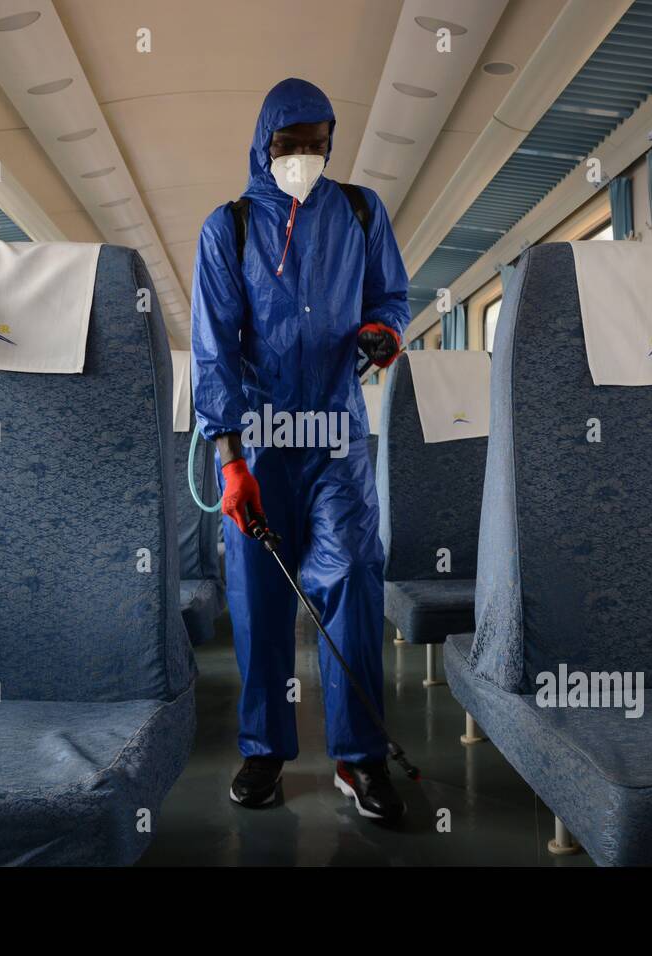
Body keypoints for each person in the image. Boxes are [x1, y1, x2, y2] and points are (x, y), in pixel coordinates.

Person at [191, 77, 409, 822]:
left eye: (318, 145)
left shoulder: (360, 212)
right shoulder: (229, 229)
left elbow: (391, 298)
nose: (304, 159)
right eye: (290, 146)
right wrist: (229, 461)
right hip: (259, 439)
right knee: (256, 596)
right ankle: (263, 751)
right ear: (263, 145)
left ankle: (360, 758)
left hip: (337, 436)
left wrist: (384, 332)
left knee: (352, 580)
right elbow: (214, 350)